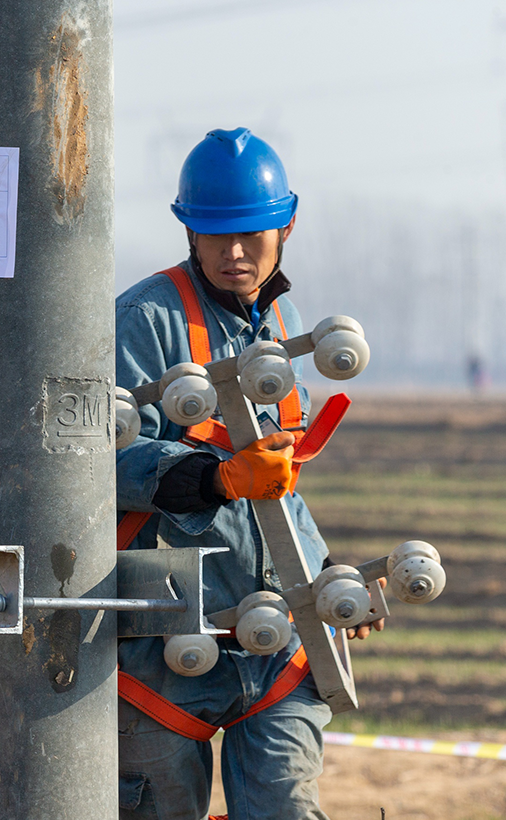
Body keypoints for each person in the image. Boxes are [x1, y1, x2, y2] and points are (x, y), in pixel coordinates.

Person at [114, 128, 381, 820]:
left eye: (252, 234)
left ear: (286, 225)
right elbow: (96, 460)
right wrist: (216, 479)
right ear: (189, 232)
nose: (234, 253)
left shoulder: (282, 323)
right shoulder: (144, 321)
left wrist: (328, 585)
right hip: (161, 655)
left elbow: (281, 487)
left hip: (275, 645)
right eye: (215, 235)